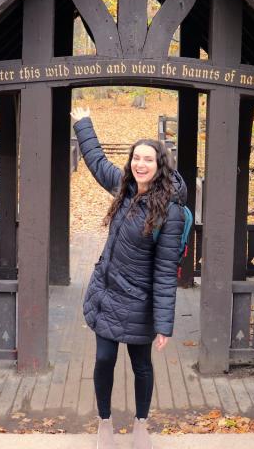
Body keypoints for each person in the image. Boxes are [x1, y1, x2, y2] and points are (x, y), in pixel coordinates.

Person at [70, 107, 186, 449]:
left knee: (141, 365)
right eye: (137, 158)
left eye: (148, 159)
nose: (140, 164)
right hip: (106, 295)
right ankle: (104, 423)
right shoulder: (125, 189)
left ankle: (141, 424)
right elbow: (97, 162)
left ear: (159, 164)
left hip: (140, 301)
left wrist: (164, 323)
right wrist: (83, 124)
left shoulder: (171, 211)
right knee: (104, 359)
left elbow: (166, 271)